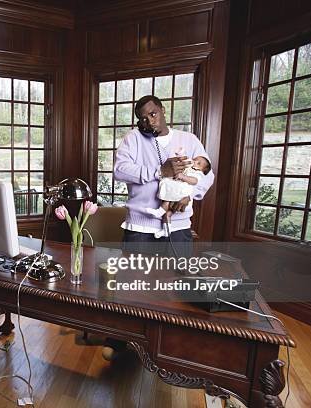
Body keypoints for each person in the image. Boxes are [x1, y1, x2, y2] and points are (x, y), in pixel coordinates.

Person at [101, 95, 215, 361]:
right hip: (140, 224)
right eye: (142, 117)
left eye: (152, 114)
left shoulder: (189, 139)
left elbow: (207, 174)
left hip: (177, 227)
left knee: (178, 287)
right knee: (130, 287)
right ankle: (119, 340)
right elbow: (120, 171)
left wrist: (189, 194)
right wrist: (158, 171)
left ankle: (173, 345)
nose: (148, 121)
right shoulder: (132, 139)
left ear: (163, 111)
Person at [146, 153, 212, 238]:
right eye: (194, 159)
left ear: (202, 170)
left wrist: (183, 177)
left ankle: (159, 211)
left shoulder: (197, 173)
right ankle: (166, 230)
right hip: (177, 191)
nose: (194, 162)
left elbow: (194, 181)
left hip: (181, 194)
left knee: (168, 200)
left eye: (198, 163)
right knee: (167, 215)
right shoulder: (188, 168)